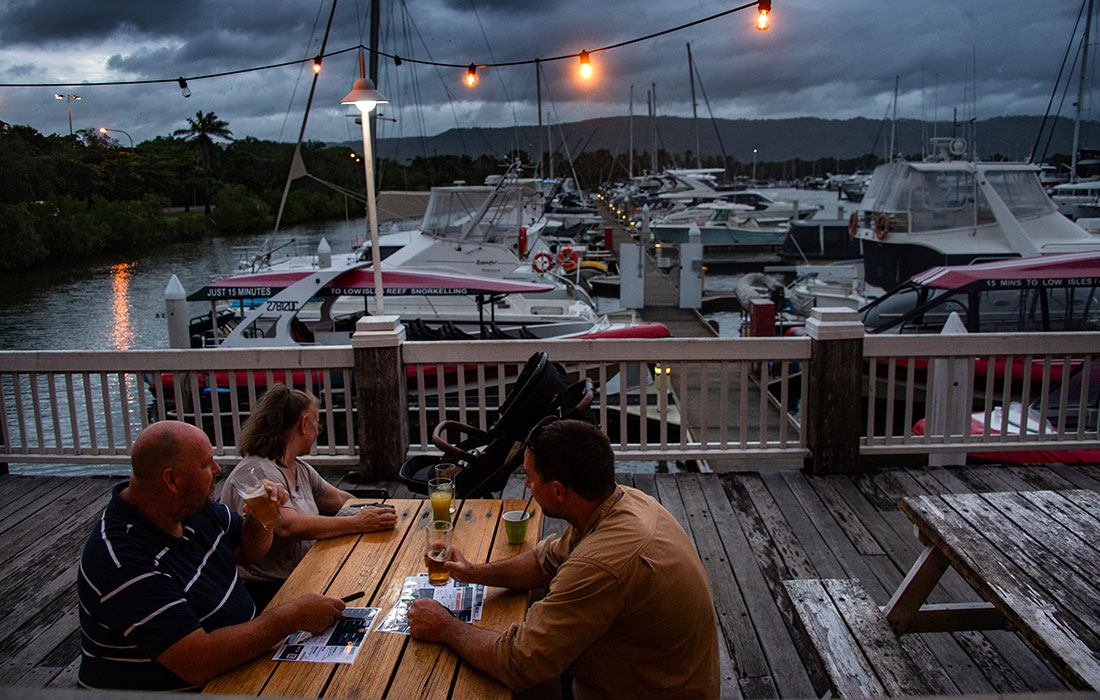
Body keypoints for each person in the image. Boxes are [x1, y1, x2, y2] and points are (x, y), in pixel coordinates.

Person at [407, 418, 721, 699]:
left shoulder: (601, 564)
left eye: (530, 478)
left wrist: (445, 626)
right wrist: (471, 572)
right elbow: (545, 561)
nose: (527, 485)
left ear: (558, 491)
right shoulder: (619, 503)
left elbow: (519, 662)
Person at [77, 420, 346, 691]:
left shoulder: (190, 509)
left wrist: (263, 516)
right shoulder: (125, 564)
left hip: (241, 664)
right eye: (207, 464)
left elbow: (247, 551)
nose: (217, 470)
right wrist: (292, 617)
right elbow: (198, 661)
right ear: (172, 480)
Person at [220, 384, 397, 608]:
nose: (317, 431)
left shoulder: (298, 467)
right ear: (304, 424)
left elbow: (340, 500)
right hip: (268, 592)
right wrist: (356, 522)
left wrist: (384, 510)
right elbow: (287, 526)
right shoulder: (256, 471)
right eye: (317, 423)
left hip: (306, 572)